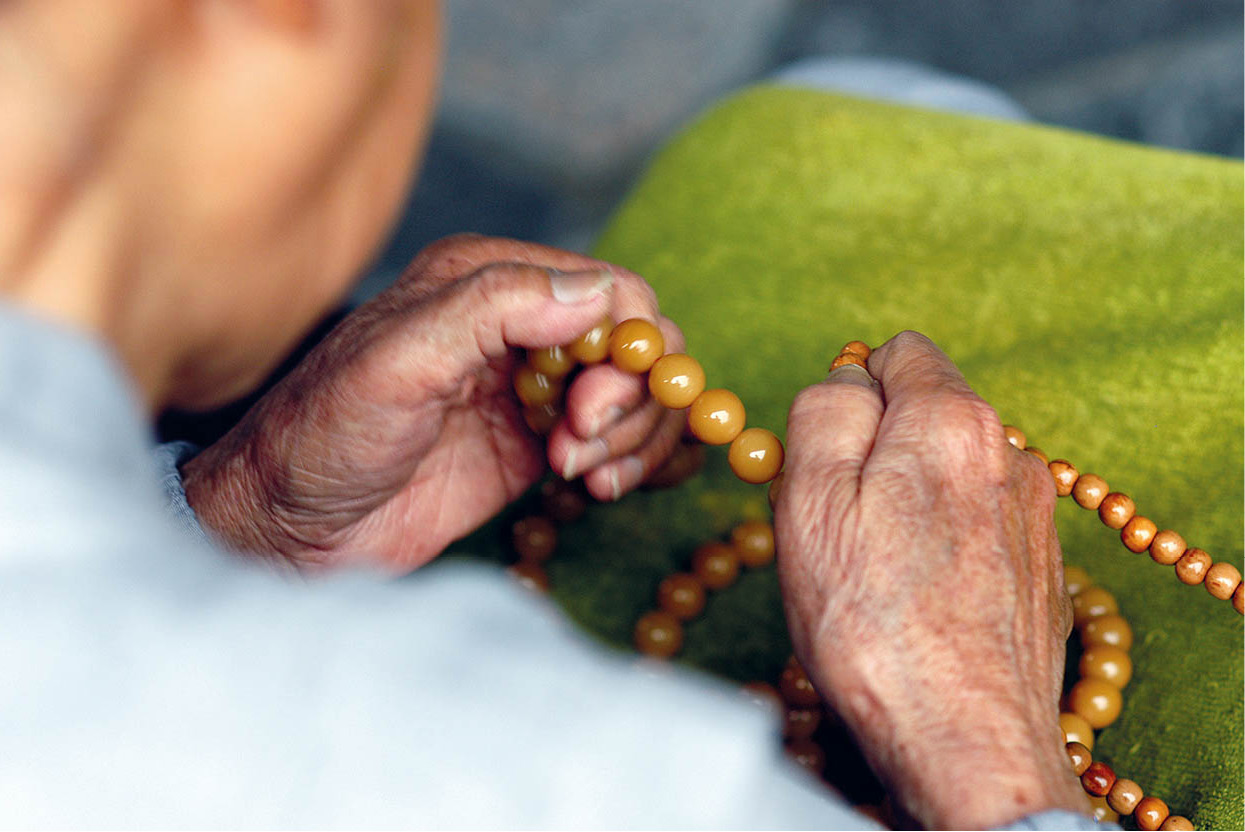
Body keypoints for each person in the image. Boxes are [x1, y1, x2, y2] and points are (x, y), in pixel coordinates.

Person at [0, 1, 1101, 828]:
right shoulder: (546, 768)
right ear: (291, 19)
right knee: (888, 102)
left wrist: (246, 521)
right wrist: (983, 746)